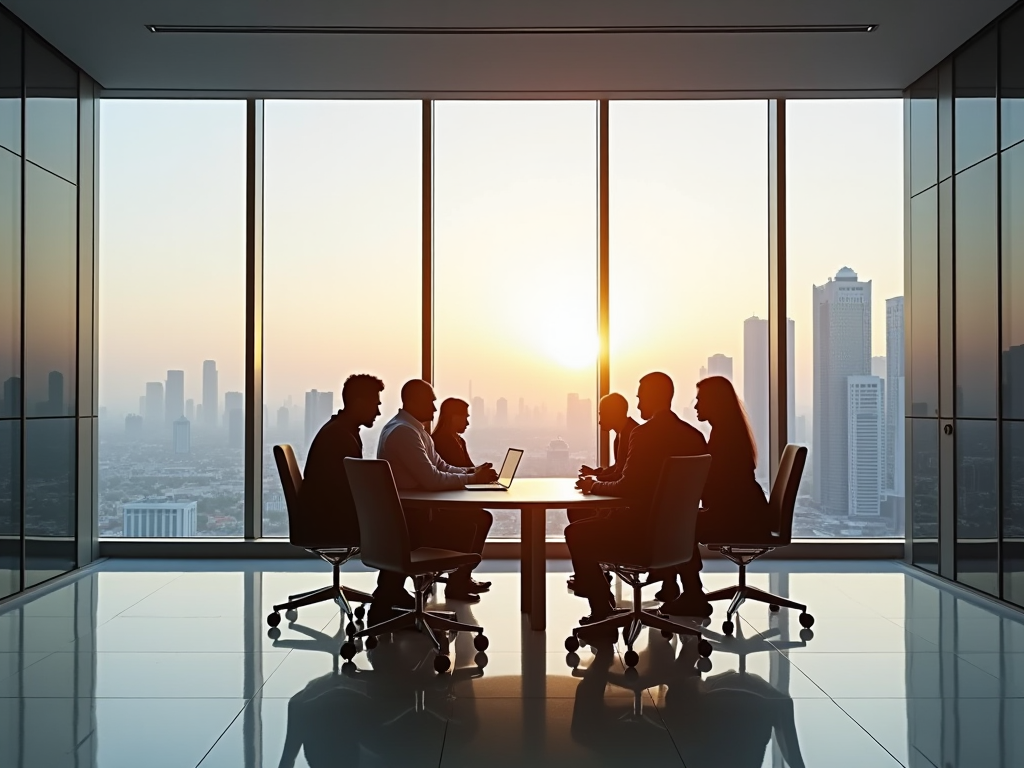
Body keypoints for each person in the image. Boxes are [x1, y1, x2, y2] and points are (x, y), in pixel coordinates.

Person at [567, 372, 708, 625]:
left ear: (653, 398)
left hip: (643, 533)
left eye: (641, 398)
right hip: (680, 537)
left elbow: (627, 487)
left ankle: (603, 613)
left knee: (575, 533)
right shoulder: (694, 437)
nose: (639, 404)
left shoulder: (644, 435)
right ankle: (686, 590)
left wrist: (594, 485)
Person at [373, 380, 496, 621]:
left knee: (477, 518)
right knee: (472, 523)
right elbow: (431, 479)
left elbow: (441, 466)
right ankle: (457, 581)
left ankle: (449, 583)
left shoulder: (414, 430)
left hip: (409, 520)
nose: (434, 407)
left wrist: (471, 474)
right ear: (414, 401)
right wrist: (471, 479)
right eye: (430, 401)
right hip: (411, 526)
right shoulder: (403, 433)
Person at [661, 375, 770, 618]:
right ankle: (682, 589)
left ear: (715, 402)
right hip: (746, 512)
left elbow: (717, 485)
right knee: (680, 522)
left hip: (742, 518)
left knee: (677, 527)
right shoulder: (727, 431)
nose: (696, 405)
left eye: (700, 400)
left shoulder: (725, 437)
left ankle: (692, 595)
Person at [298, 373, 385, 550]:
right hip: (331, 525)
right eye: (375, 405)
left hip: (323, 520)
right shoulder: (341, 437)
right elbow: (350, 491)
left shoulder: (338, 430)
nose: (378, 412)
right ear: (360, 403)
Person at [565, 393, 639, 592]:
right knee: (576, 511)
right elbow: (619, 469)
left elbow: (624, 477)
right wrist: (596, 474)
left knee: (577, 518)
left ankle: (592, 582)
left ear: (614, 413)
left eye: (602, 414)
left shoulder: (633, 434)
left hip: (629, 509)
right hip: (626, 502)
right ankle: (591, 575)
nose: (599, 420)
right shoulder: (623, 433)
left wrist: (594, 484)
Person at [431, 397, 474, 468]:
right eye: (465, 417)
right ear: (454, 417)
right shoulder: (440, 442)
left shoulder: (460, 441)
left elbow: (470, 468)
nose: (467, 423)